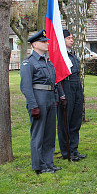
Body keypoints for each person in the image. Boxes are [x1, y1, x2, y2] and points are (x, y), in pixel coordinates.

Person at [20, 29, 65, 174]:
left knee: (49, 133)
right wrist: (33, 105)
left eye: (46, 41)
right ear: (34, 45)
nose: (46, 44)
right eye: (43, 41)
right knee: (38, 134)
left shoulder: (48, 61)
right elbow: (26, 86)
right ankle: (39, 165)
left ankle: (48, 163)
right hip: (38, 98)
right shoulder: (29, 63)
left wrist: (58, 97)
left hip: (50, 98)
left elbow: (54, 81)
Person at [57, 29, 86, 161]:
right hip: (66, 86)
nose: (71, 40)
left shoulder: (73, 55)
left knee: (75, 120)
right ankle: (66, 151)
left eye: (71, 37)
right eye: (68, 38)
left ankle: (74, 149)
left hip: (76, 87)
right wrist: (62, 94)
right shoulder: (60, 56)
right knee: (65, 121)